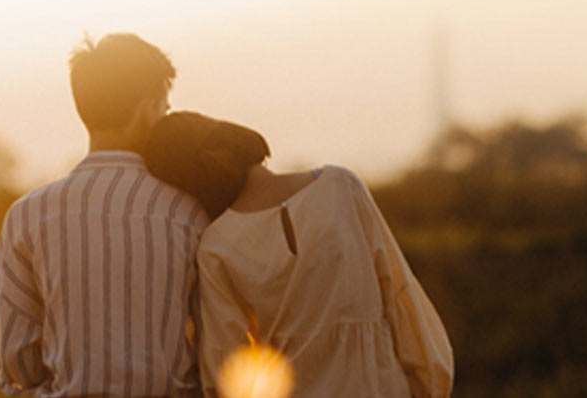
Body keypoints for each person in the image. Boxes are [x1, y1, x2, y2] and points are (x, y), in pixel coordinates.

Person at [142, 112, 454, 398]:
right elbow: (400, 295)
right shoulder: (341, 187)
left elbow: (226, 369)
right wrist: (427, 383)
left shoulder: (216, 247)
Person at [0, 34, 210, 397]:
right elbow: (215, 346)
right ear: (147, 109)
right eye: (164, 108)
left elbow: (19, 363)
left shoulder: (28, 215)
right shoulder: (189, 213)